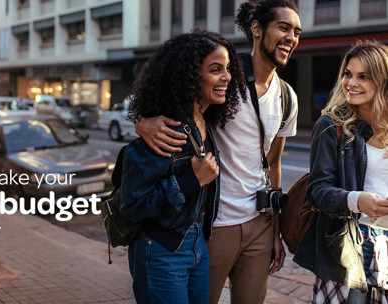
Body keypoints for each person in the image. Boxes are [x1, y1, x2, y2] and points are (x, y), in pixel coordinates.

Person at [135, 1, 301, 303]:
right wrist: (142, 122)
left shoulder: (288, 97)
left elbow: (273, 164)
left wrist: (275, 230)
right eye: (284, 27)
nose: (291, 37)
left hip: (260, 225)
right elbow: (170, 97)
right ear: (257, 29)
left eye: (297, 32)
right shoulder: (225, 77)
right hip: (215, 225)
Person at [120, 30, 247, 303]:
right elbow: (133, 204)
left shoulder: (205, 120)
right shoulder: (166, 128)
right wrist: (191, 180)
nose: (226, 77)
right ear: (189, 76)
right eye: (216, 69)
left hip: (197, 242)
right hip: (163, 247)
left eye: (227, 69)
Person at [293, 40, 388, 303]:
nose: (351, 83)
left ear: (382, 81)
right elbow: (318, 191)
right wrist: (357, 201)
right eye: (348, 74)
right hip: (348, 244)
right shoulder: (331, 125)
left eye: (363, 76)